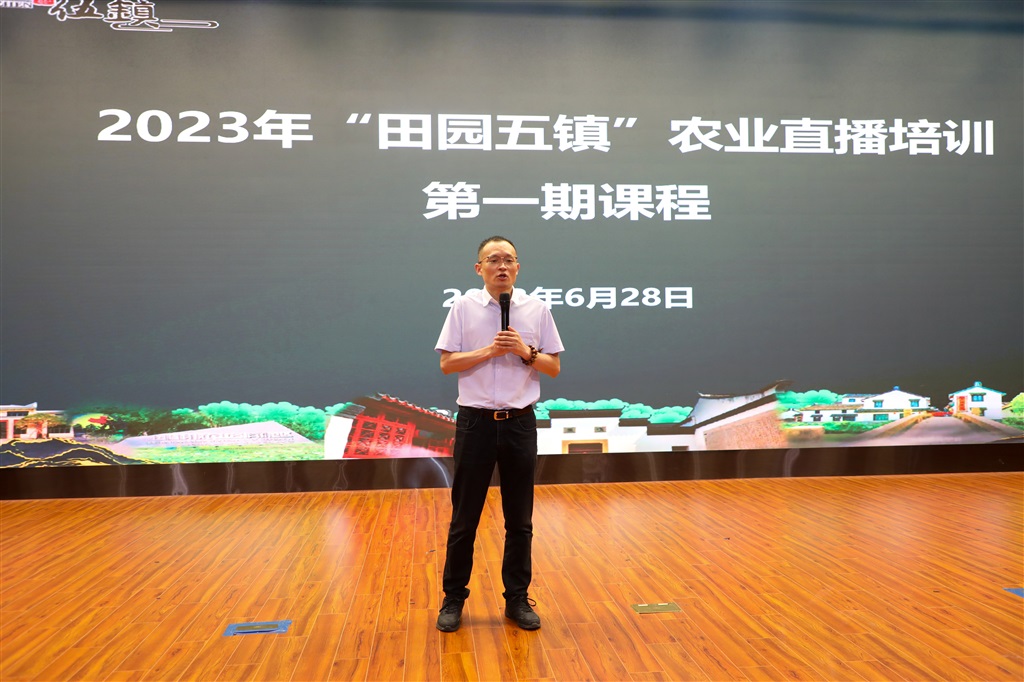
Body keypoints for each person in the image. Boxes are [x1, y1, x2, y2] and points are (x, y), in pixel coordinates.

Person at [434, 236, 564, 632]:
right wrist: (489, 351)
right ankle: (453, 598)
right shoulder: (462, 307)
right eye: (493, 260)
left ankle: (517, 599)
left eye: (508, 259)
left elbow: (553, 367)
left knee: (520, 519)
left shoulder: (537, 309)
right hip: (474, 423)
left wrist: (525, 351)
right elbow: (447, 364)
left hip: (519, 423)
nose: (501, 266)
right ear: (479, 268)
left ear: (518, 267)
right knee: (465, 518)